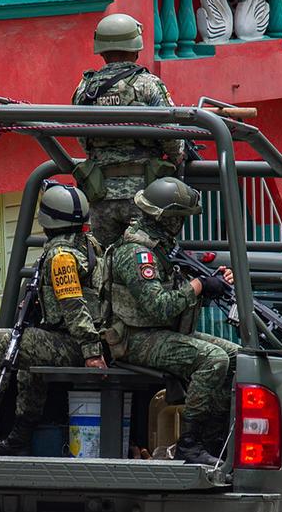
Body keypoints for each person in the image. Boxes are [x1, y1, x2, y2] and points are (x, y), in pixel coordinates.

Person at [0, 183, 106, 455]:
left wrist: (92, 353)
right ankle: (19, 438)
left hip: (77, 345)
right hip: (80, 341)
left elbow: (73, 307)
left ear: (46, 220)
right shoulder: (88, 245)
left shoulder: (61, 256)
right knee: (26, 361)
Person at [101, 176, 238, 467]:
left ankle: (213, 439)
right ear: (169, 218)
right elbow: (160, 307)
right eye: (181, 218)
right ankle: (189, 444)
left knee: (235, 356)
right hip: (134, 339)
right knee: (214, 359)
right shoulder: (136, 253)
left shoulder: (161, 246)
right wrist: (199, 286)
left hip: (158, 333)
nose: (183, 224)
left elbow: (178, 290)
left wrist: (213, 280)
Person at [71, 13, 187, 245]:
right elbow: (172, 136)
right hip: (145, 193)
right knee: (148, 256)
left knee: (105, 258)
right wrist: (177, 157)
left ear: (101, 51)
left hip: (99, 192)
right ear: (136, 49)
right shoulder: (148, 84)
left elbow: (82, 138)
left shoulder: (86, 88)